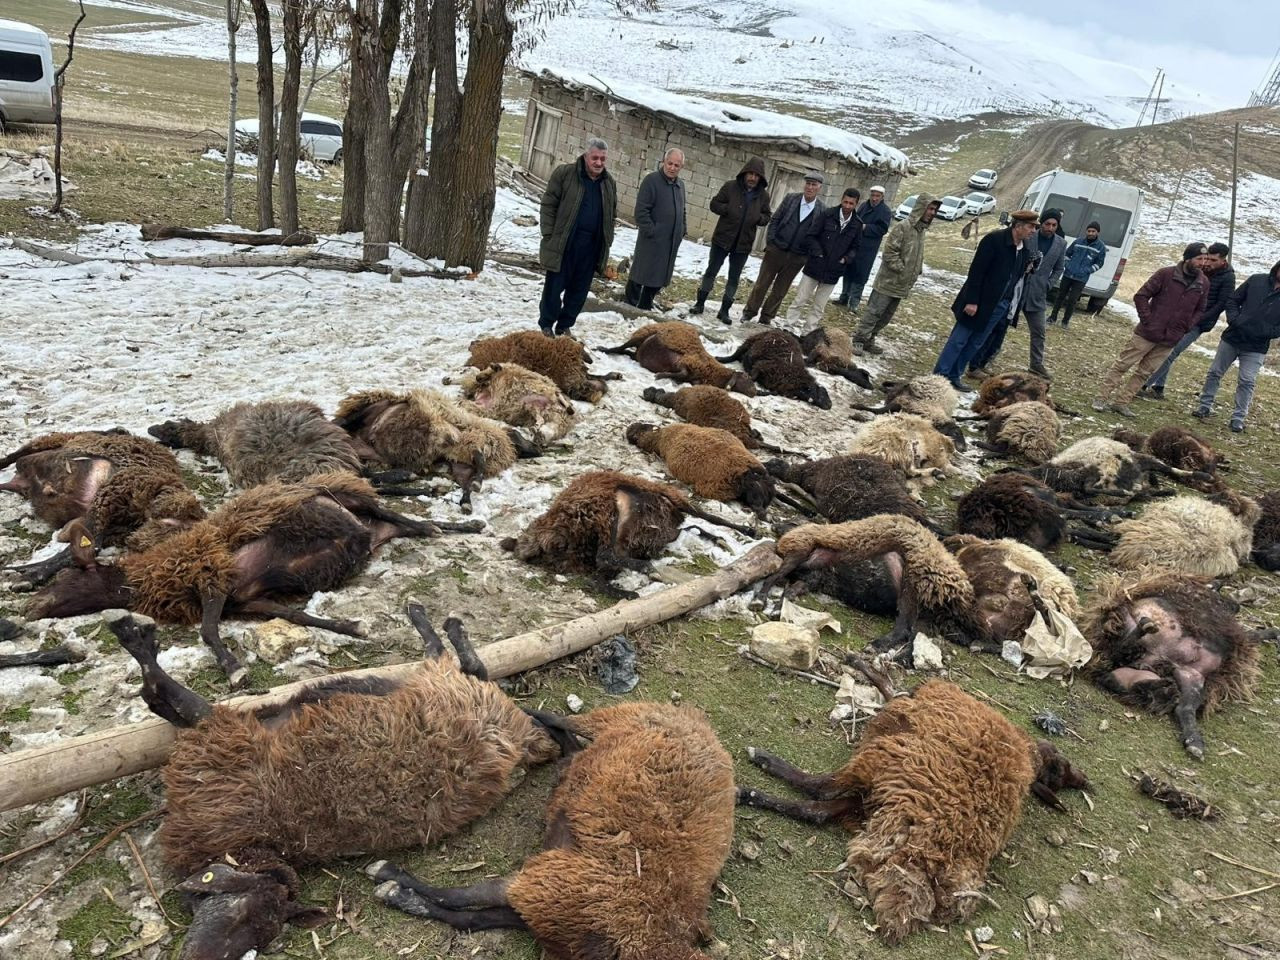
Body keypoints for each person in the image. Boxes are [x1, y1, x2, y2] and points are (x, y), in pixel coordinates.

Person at [1092, 243, 1209, 418]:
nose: (1203, 262)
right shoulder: (1166, 274)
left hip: (1170, 338)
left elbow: (1200, 309)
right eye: (1199, 258)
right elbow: (1141, 296)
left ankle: (1121, 403)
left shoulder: (1203, 283)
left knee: (1144, 373)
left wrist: (1186, 326)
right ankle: (1101, 398)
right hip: (1147, 333)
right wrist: (1148, 319)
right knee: (1122, 365)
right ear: (1187, 258)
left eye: (1205, 259)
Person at [932, 209, 1038, 392]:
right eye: (1031, 227)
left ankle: (954, 376)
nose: (1033, 231)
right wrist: (972, 301)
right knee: (959, 339)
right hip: (979, 302)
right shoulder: (994, 240)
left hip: (1000, 305)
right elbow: (976, 272)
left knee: (976, 342)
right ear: (1018, 226)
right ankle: (940, 376)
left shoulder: (1025, 250)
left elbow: (1016, 279)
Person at [538, 137, 617, 336]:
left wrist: (608, 238)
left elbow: (611, 213)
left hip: (591, 247)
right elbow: (548, 204)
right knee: (554, 288)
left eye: (603, 159)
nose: (599, 163)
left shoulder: (609, 183)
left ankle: (564, 326)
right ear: (585, 156)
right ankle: (547, 324)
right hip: (565, 243)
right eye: (595, 158)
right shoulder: (565, 174)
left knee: (578, 292)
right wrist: (549, 234)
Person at [1192, 259, 1280, 433]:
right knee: (1215, 372)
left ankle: (1238, 418)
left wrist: (1269, 331)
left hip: (1256, 346)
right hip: (1232, 338)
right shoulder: (1257, 280)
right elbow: (1233, 300)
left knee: (1247, 381)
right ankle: (1204, 405)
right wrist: (1235, 319)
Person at [1140, 242, 1234, 399]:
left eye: (1213, 261)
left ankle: (1145, 384)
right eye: (1207, 259)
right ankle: (1159, 387)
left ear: (1223, 261)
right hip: (1180, 318)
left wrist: (1196, 319)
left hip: (1197, 323)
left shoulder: (1228, 277)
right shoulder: (1199, 269)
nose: (1207, 263)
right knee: (1166, 349)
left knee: (1171, 351)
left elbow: (1220, 305)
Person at [851, 194, 941, 355]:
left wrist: (916, 270)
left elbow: (915, 254)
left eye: (935, 210)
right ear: (921, 208)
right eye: (930, 208)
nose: (933, 213)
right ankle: (859, 339)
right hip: (888, 281)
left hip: (902, 284)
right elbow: (890, 252)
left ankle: (870, 339)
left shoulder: (921, 231)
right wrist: (901, 269)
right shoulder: (903, 227)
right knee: (874, 312)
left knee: (886, 317)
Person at [690, 157, 771, 324]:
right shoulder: (730, 187)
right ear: (744, 172)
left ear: (761, 177)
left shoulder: (763, 196)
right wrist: (727, 209)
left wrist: (758, 218)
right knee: (711, 271)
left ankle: (724, 310)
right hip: (722, 239)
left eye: (756, 175)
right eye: (750, 173)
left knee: (734, 277)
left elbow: (767, 216)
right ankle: (699, 303)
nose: (752, 178)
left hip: (743, 244)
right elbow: (714, 204)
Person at [741, 170, 825, 325]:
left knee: (780, 290)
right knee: (762, 283)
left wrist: (805, 255)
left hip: (797, 257)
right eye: (808, 183)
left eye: (814, 185)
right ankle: (749, 311)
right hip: (776, 250)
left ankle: (767, 316)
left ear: (819, 187)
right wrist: (771, 242)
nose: (810, 187)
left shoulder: (822, 210)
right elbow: (775, 219)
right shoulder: (791, 199)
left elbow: (818, 235)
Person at [787, 187, 862, 329]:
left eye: (851, 204)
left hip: (834, 270)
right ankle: (788, 326)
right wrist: (818, 252)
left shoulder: (857, 224)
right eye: (845, 202)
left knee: (819, 306)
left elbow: (856, 247)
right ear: (841, 200)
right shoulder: (827, 214)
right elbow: (811, 235)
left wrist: (846, 259)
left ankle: (809, 332)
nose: (847, 206)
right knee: (800, 299)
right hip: (815, 265)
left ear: (856, 204)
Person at [625, 147, 687, 310]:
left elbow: (683, 210)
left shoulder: (680, 185)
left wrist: (682, 229)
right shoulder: (651, 181)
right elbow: (641, 211)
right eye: (670, 163)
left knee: (659, 275)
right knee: (641, 271)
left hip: (670, 240)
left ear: (681, 167)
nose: (672, 168)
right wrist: (652, 230)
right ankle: (630, 304)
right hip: (652, 238)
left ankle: (646, 303)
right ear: (663, 162)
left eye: (676, 165)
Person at [1012, 208, 1066, 379]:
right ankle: (983, 360)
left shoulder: (1061, 244)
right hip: (1017, 288)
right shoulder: (1029, 235)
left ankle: (1036, 365)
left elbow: (1059, 268)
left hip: (1038, 294)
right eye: (1047, 224)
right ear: (1041, 223)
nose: (1050, 228)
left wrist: (1048, 284)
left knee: (1039, 331)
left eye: (1054, 225)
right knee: (999, 325)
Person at [836, 184, 892, 310]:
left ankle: (854, 303)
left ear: (882, 197)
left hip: (868, 249)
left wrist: (866, 227)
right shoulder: (863, 206)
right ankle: (843, 297)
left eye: (877, 196)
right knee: (848, 271)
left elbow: (882, 229)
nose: (874, 198)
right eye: (873, 195)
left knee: (861, 275)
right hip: (855, 244)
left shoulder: (885, 211)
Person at [1048, 221, 1106, 327]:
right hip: (1068, 274)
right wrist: (1067, 265)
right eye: (1089, 231)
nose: (1091, 233)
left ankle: (1065, 321)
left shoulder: (1100, 247)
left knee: (1072, 300)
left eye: (1093, 231)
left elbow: (1099, 263)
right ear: (1086, 231)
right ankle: (1052, 317)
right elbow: (1067, 254)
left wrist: (1087, 270)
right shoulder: (1078, 241)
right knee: (1060, 296)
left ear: (1098, 232)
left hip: (1081, 278)